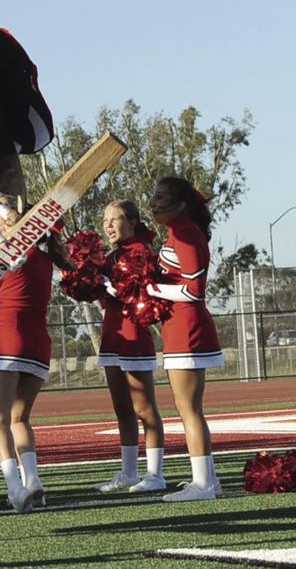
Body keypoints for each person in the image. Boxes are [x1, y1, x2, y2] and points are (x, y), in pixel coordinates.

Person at [0, 206, 72, 513]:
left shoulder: (7, 256)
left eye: (6, 222)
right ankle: (33, 482)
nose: (1, 228)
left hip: (8, 338)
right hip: (38, 343)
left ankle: (15, 488)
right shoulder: (46, 259)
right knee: (20, 418)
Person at [147, 177, 224, 501]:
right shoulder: (176, 232)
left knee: (188, 408)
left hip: (188, 328)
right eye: (153, 195)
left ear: (180, 204)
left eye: (162, 196)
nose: (153, 202)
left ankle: (203, 484)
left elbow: (194, 291)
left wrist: (151, 289)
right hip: (177, 326)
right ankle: (208, 480)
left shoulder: (186, 233)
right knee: (186, 407)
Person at [95, 201, 167, 493]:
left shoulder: (144, 256)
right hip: (112, 335)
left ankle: (155, 474)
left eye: (116, 219)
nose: (109, 225)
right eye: (105, 219)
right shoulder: (110, 257)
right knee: (121, 408)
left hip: (134, 336)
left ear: (134, 222)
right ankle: (128, 471)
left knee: (144, 408)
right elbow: (99, 297)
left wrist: (110, 284)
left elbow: (141, 296)